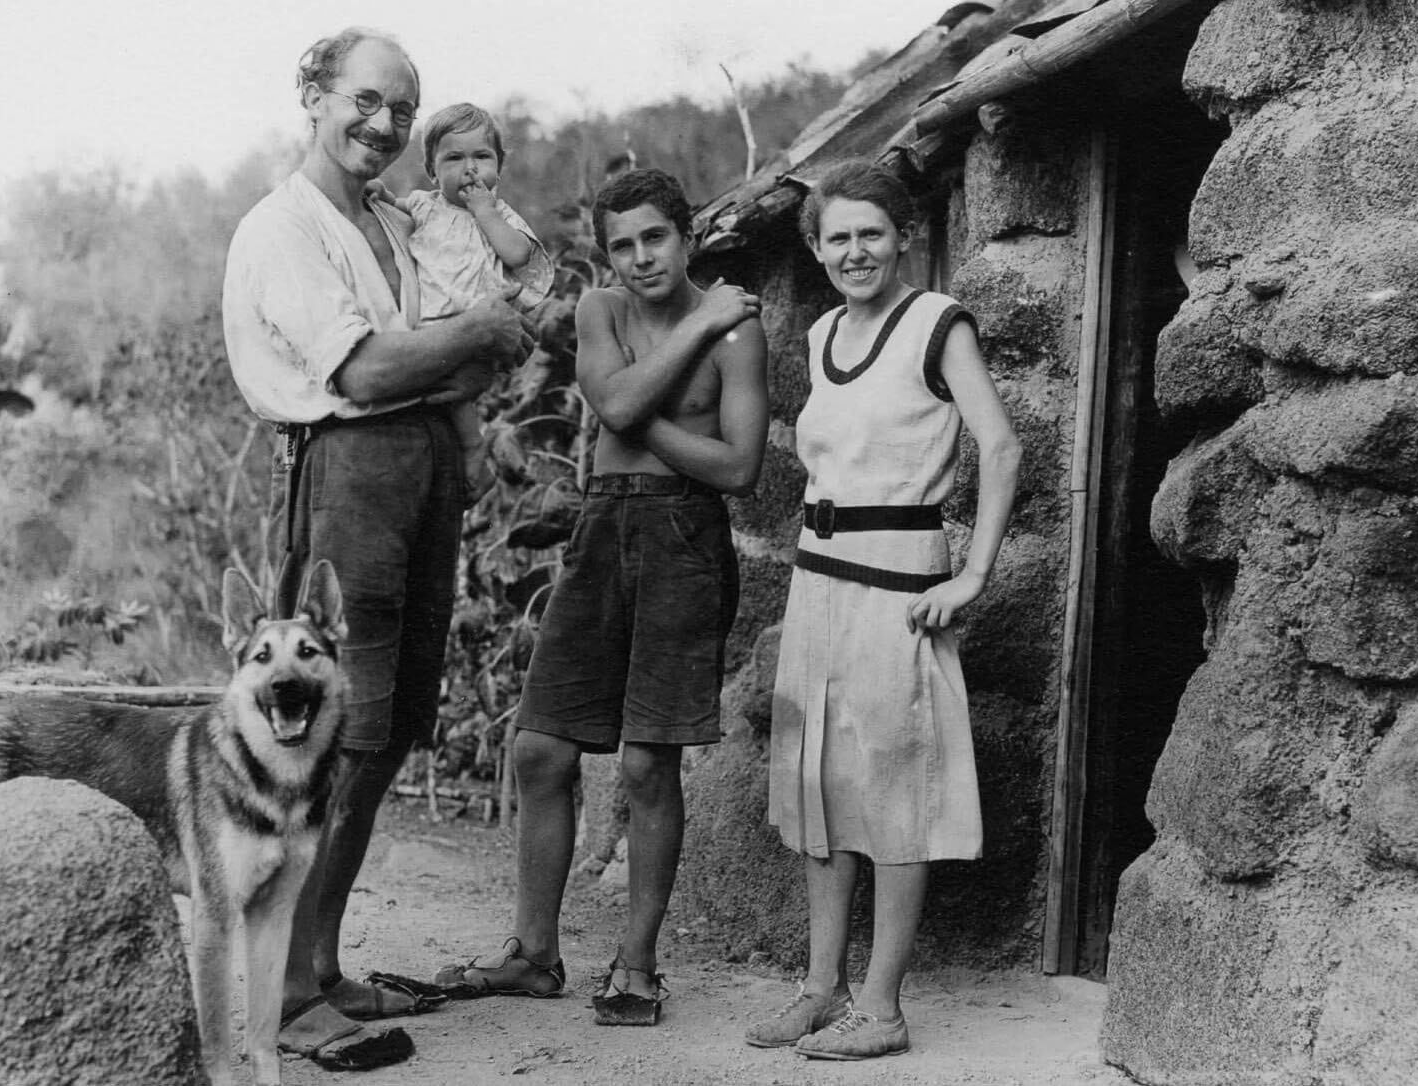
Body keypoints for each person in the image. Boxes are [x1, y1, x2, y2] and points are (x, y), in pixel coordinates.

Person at [221, 27, 533, 1072]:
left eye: (402, 110)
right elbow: (360, 374)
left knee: (391, 723)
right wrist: (482, 336)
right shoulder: (283, 228)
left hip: (422, 467)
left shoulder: (394, 220)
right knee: (325, 732)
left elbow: (424, 362)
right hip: (349, 470)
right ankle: (289, 991)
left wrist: (445, 360)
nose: (385, 126)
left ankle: (321, 957)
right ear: (312, 95)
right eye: (365, 101)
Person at [433, 168, 769, 1026]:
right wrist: (689, 334)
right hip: (601, 531)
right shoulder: (606, 312)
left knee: (649, 762)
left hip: (686, 539)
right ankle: (535, 954)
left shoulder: (742, 335)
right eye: (621, 246)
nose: (639, 258)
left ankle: (638, 961)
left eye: (654, 237)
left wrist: (629, 414)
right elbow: (611, 401)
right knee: (540, 750)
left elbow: (737, 468)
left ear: (687, 236)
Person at [746, 161, 1020, 1060]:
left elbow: (1001, 444)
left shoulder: (936, 324)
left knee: (896, 786)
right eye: (837, 238)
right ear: (818, 250)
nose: (855, 251)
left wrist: (972, 574)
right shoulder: (825, 330)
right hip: (819, 572)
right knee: (821, 780)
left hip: (902, 575)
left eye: (871, 233)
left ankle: (883, 1006)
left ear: (903, 235)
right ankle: (820, 988)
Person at [372, 102, 554, 502]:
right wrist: (381, 193)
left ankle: (474, 451)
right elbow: (396, 211)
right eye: (454, 158)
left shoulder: (499, 213)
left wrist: (484, 212)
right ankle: (455, 458)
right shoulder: (425, 204)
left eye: (481, 157)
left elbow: (519, 255)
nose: (470, 168)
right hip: (431, 324)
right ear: (434, 172)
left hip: (477, 321)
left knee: (458, 397)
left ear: (499, 169)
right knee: (433, 394)